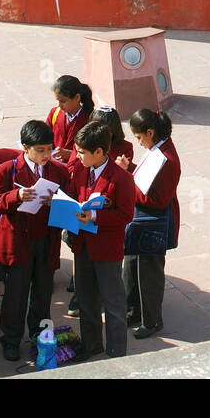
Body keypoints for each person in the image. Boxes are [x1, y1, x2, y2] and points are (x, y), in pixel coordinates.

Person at [0, 120, 69, 362]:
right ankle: (11, 339)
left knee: (43, 292)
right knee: (16, 293)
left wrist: (54, 202)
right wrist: (16, 195)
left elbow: (68, 202)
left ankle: (39, 333)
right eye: (40, 150)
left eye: (49, 149)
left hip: (46, 239)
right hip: (18, 242)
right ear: (26, 147)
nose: (46, 155)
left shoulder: (58, 171)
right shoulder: (7, 169)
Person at [66, 121, 134, 359]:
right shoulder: (81, 170)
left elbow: (126, 214)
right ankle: (91, 345)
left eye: (82, 152)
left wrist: (94, 216)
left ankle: (116, 352)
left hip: (106, 250)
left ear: (98, 152)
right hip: (82, 246)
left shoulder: (121, 178)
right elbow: (74, 195)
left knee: (113, 304)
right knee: (86, 301)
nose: (78, 155)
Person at [121, 108, 181, 339]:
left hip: (153, 223)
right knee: (132, 266)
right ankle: (133, 310)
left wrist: (127, 185)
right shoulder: (157, 148)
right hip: (140, 220)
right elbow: (145, 179)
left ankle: (152, 320)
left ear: (150, 132)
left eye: (139, 137)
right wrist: (131, 170)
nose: (138, 142)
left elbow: (156, 199)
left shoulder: (167, 159)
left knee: (149, 274)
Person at [47, 75, 93, 164]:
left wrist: (71, 154)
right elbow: (46, 137)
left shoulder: (90, 119)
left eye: (63, 101)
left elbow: (94, 153)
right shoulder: (54, 113)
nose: (59, 105)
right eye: (58, 101)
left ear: (77, 98)